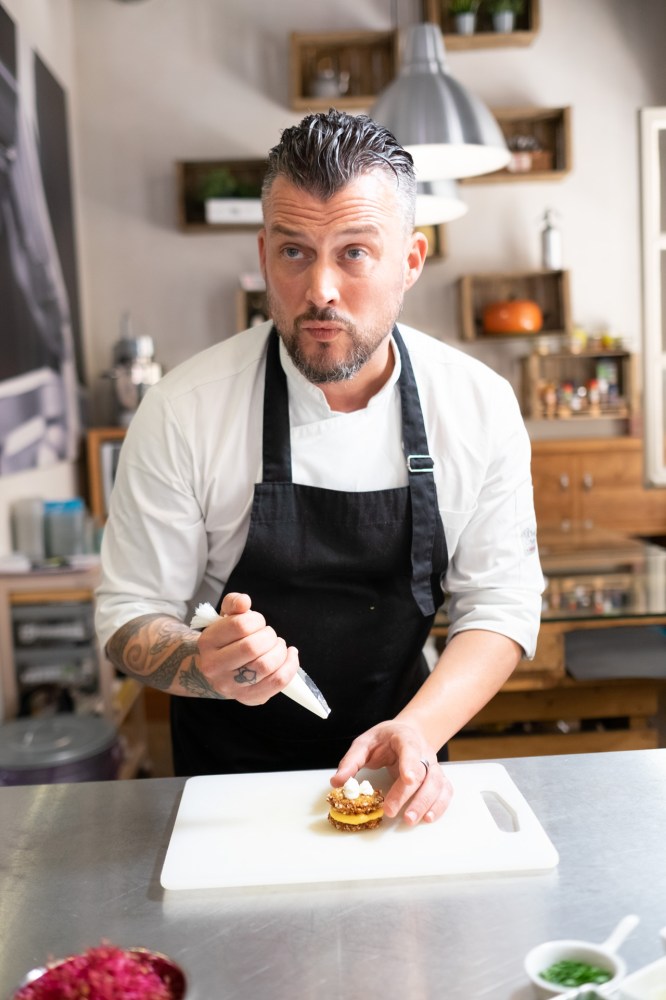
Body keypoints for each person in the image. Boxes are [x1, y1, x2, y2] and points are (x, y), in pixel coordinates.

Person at [96, 109, 543, 826]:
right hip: (226, 795)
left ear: (412, 260)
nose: (321, 290)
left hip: (405, 772)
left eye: (356, 253)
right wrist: (199, 661)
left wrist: (420, 730)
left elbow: (501, 604)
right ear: (264, 250)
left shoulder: (478, 406)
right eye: (295, 253)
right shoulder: (184, 408)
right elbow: (129, 617)